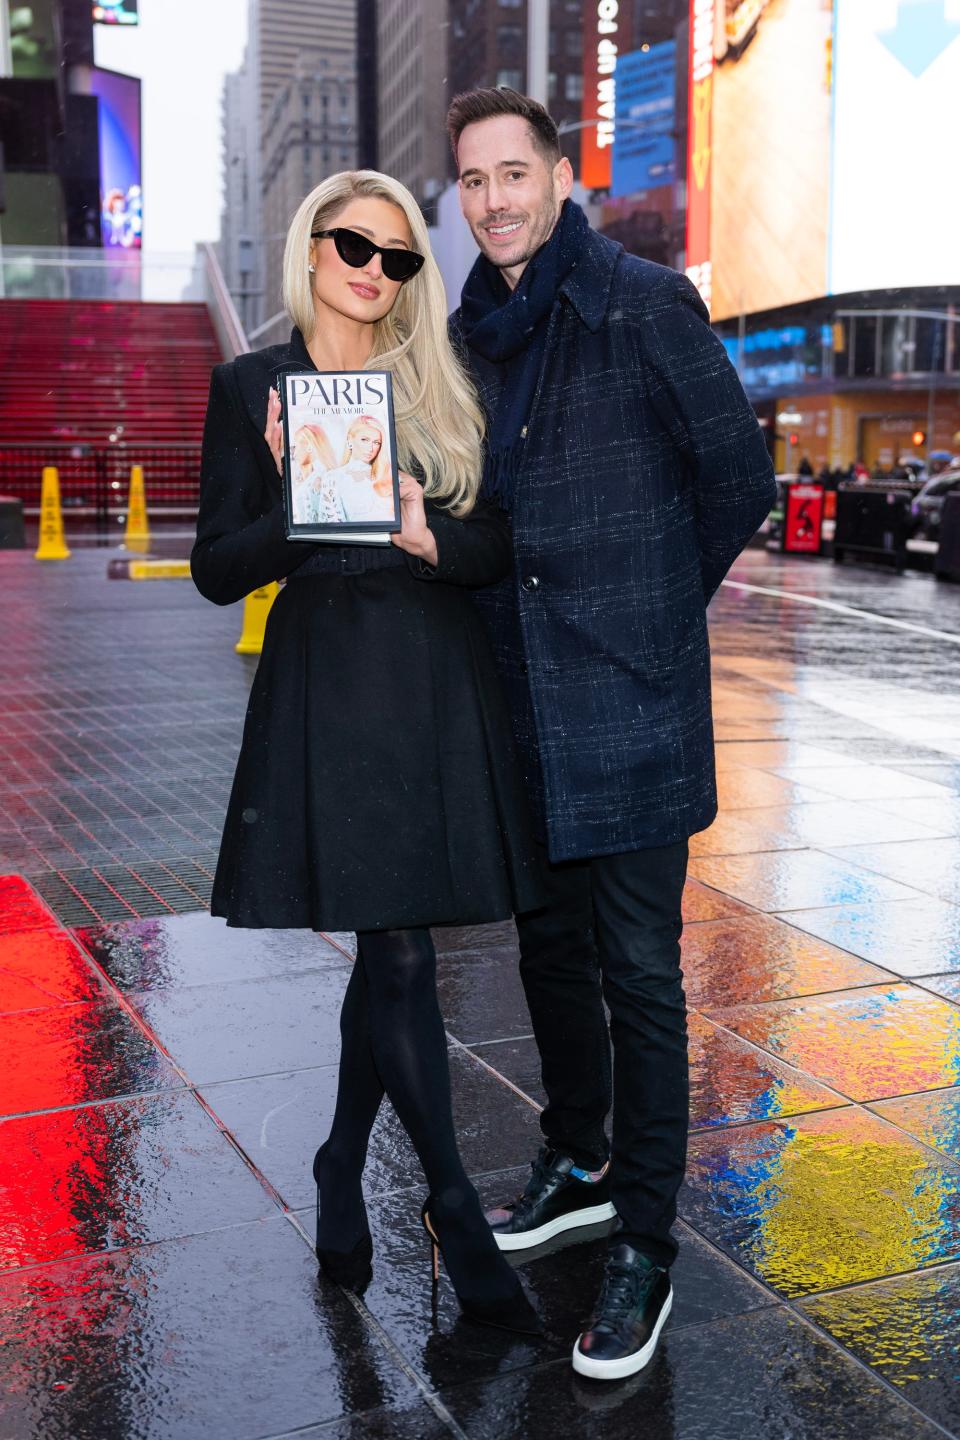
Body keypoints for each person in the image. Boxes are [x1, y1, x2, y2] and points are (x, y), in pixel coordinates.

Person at [445, 87, 777, 1379]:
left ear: (562, 176)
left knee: (640, 974)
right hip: (518, 705)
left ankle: (644, 1237)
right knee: (546, 947)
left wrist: (648, 624)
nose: (495, 201)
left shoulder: (640, 303)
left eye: (514, 173)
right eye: (472, 182)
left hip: (629, 709)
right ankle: (576, 1157)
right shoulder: (471, 331)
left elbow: (737, 478)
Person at [191, 169, 544, 1336]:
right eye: (356, 245)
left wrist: (424, 530)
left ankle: (344, 1161)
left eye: (399, 257)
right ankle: (452, 1205)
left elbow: (494, 547)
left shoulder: (444, 378)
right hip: (330, 683)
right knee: (395, 957)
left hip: (434, 678)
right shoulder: (251, 384)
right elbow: (215, 568)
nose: (375, 271)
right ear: (313, 245)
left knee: (393, 952)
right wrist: (300, 496)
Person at [321, 415, 396, 522]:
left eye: (376, 442)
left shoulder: (388, 475)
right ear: (350, 441)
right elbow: (331, 526)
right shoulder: (333, 478)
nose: (371, 448)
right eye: (364, 440)